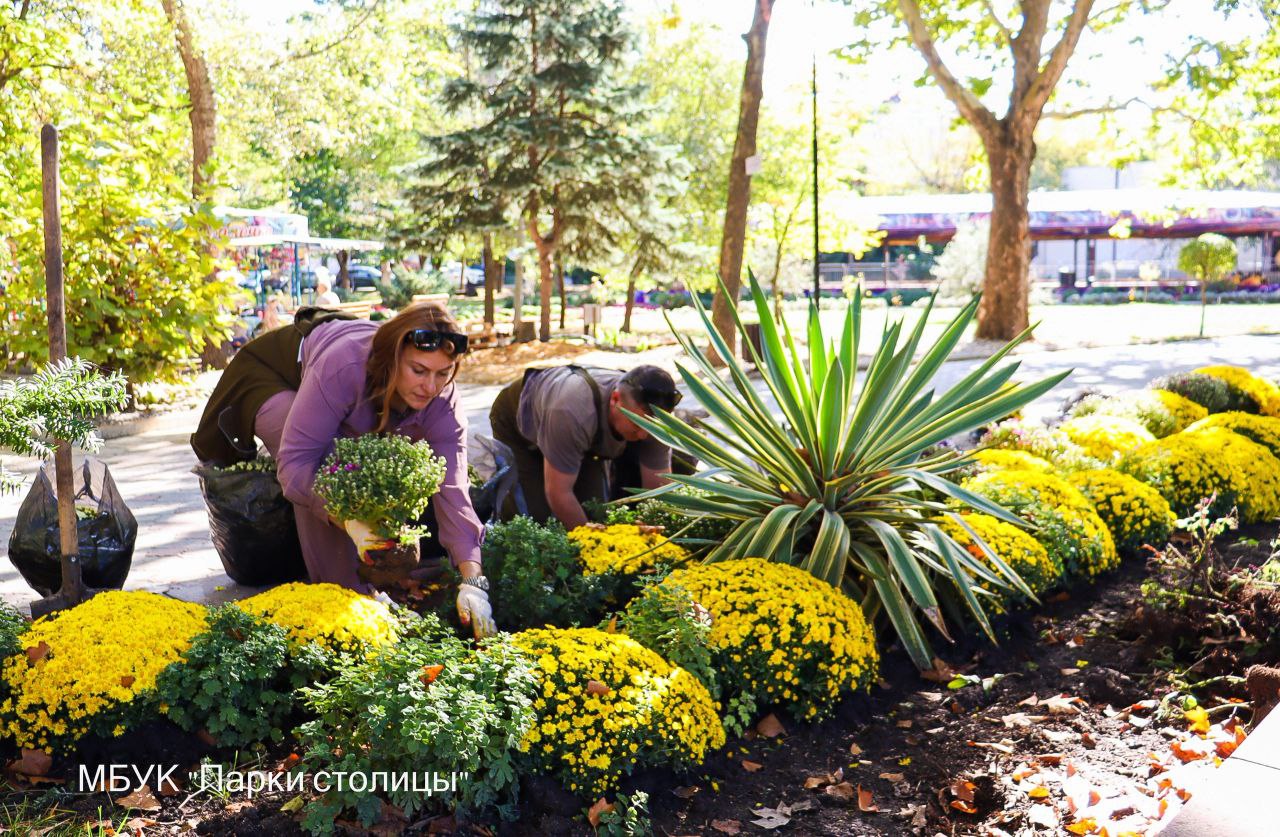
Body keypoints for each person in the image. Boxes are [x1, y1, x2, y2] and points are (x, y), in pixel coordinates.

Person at [192, 303, 495, 637]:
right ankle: (345, 602)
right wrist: (349, 520)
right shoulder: (346, 365)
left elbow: (453, 489)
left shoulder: (443, 400)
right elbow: (297, 466)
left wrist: (473, 581)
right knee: (330, 466)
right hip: (274, 376)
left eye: (443, 373)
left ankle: (368, 581)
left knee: (358, 464)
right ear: (393, 357)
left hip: (336, 388)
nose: (430, 386)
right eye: (418, 370)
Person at [490, 364, 680, 529]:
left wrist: (652, 530)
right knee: (537, 520)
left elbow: (659, 490)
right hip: (518, 427)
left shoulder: (656, 418)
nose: (643, 436)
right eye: (636, 425)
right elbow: (559, 493)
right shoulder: (571, 411)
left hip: (577, 434)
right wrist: (592, 546)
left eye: (650, 428)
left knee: (596, 511)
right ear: (615, 399)